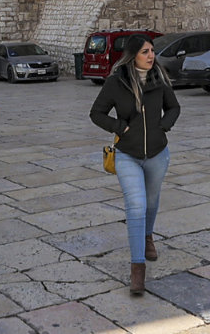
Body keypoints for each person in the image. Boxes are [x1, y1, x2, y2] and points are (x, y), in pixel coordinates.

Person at [89, 34, 180, 296]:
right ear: (132, 56)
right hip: (127, 154)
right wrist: (119, 127)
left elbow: (174, 107)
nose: (151, 55)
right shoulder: (116, 82)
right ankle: (137, 268)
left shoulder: (159, 79)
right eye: (145, 52)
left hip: (157, 154)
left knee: (151, 203)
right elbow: (96, 113)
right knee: (136, 205)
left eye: (152, 51)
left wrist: (163, 126)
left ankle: (148, 236)